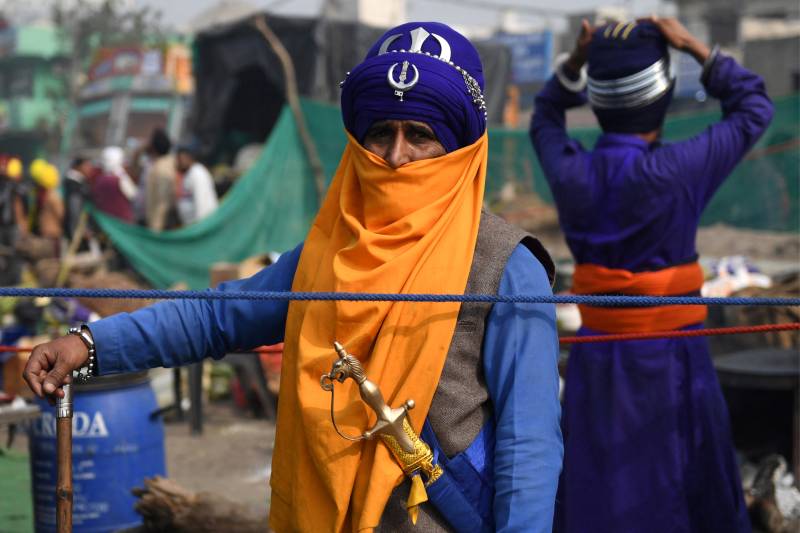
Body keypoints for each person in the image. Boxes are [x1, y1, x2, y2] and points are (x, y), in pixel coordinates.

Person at [23, 22, 562, 532]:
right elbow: (217, 318)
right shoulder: (329, 255)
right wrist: (90, 344)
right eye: (380, 133)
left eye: (419, 134)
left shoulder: (508, 267)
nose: (396, 157)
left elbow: (529, 446)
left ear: (461, 149)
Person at [529, 17, 773, 533]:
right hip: (675, 357)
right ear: (661, 97)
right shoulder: (679, 169)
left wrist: (576, 61)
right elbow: (754, 105)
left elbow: (545, 115)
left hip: (596, 359)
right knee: (684, 479)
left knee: (600, 481)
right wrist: (691, 45)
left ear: (597, 98)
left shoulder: (572, 172)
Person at [142, 129, 178, 231]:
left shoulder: (162, 169)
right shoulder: (165, 163)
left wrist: (155, 230)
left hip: (159, 227)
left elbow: (163, 203)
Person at [174, 144, 218, 225]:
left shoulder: (198, 172)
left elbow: (203, 203)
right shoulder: (189, 173)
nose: (178, 162)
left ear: (189, 157)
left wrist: (201, 227)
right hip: (191, 225)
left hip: (201, 225)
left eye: (180, 159)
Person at [91, 147, 137, 223]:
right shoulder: (121, 179)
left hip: (103, 221)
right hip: (121, 223)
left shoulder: (99, 180)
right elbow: (133, 196)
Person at [0, 155, 25, 285]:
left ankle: (16, 283)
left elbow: (19, 206)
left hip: (13, 226)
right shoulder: (3, 185)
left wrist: (22, 226)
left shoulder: (17, 186)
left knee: (16, 254)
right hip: (2, 225)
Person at [63, 156, 94, 240]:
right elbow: (74, 208)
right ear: (78, 166)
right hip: (76, 231)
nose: (90, 168)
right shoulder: (74, 185)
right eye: (87, 165)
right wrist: (83, 230)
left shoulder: (80, 182)